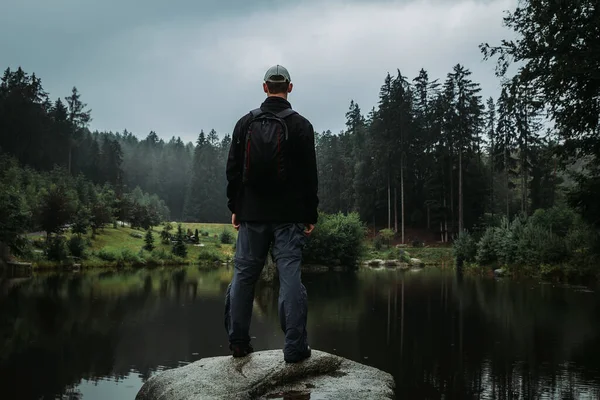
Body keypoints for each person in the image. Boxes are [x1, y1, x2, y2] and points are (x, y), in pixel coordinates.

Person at [224, 65, 319, 363]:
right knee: (289, 277)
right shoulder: (302, 126)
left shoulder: (244, 123)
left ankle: (238, 343)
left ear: (264, 87)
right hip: (289, 216)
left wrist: (235, 208)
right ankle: (294, 348)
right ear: (289, 88)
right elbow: (309, 177)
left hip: (251, 213)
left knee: (243, 276)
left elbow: (233, 171)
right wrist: (310, 213)